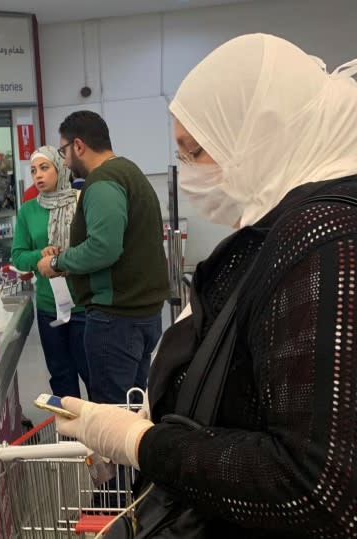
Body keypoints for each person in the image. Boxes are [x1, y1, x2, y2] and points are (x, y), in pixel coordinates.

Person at [55, 34, 357, 537]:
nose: (191, 173)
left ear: (261, 135)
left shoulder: (325, 241)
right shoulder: (284, 222)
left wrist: (142, 444)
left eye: (197, 152)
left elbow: (318, 488)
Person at [36, 111, 169, 404]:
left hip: (117, 320)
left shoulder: (102, 182)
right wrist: (71, 256)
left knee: (111, 414)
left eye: (64, 151)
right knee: (133, 408)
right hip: (139, 314)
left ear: (79, 146)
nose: (66, 160)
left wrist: (57, 264)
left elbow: (104, 248)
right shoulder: (129, 172)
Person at [12, 146, 88, 398]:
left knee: (93, 373)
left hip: (84, 305)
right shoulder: (28, 212)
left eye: (45, 168)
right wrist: (40, 255)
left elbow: (94, 247)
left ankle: (99, 435)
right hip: (49, 306)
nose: (38, 175)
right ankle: (69, 436)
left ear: (60, 167)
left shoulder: (81, 202)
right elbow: (18, 257)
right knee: (61, 375)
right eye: (34, 170)